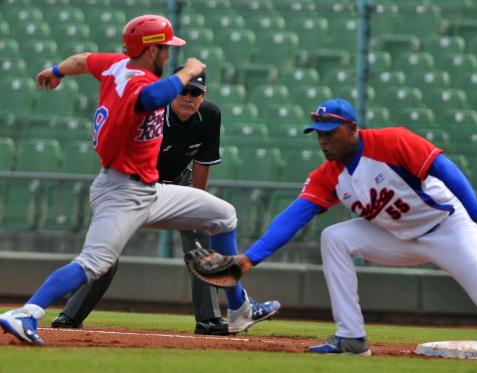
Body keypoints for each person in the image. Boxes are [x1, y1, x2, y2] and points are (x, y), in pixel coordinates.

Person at [228, 98, 477, 361]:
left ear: (353, 129)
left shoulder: (390, 142)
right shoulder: (329, 176)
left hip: (448, 228)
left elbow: (444, 168)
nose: (323, 139)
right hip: (397, 237)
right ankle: (351, 337)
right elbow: (294, 216)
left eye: (331, 131)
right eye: (319, 133)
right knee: (334, 237)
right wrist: (248, 260)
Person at [0, 15, 279, 346]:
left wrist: (56, 72)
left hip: (152, 189)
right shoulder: (140, 86)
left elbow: (82, 60)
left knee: (224, 215)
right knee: (94, 263)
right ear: (150, 50)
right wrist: (187, 71)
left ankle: (239, 308)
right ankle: (27, 312)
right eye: (165, 48)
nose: (168, 54)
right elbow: (150, 99)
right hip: (122, 191)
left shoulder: (115, 64)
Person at [51, 68, 232, 335]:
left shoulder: (210, 116)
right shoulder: (153, 114)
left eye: (196, 93)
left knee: (201, 238)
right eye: (183, 90)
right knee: (105, 251)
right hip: (133, 183)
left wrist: (197, 206)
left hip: (178, 181)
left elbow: (202, 164)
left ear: (203, 97)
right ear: (172, 93)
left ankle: (208, 319)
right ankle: (71, 314)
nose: (189, 97)